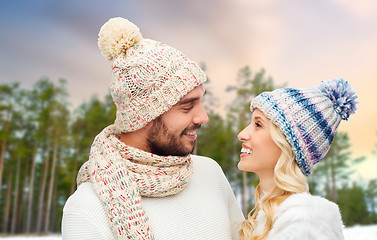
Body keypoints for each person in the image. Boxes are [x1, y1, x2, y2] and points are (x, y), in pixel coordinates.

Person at [62, 17, 244, 240]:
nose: (203, 117)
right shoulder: (87, 209)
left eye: (200, 102)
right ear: (143, 116)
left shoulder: (210, 174)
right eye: (187, 106)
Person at [237, 79, 359, 239]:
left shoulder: (303, 223)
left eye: (258, 124)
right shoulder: (269, 217)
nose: (242, 134)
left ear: (287, 144)